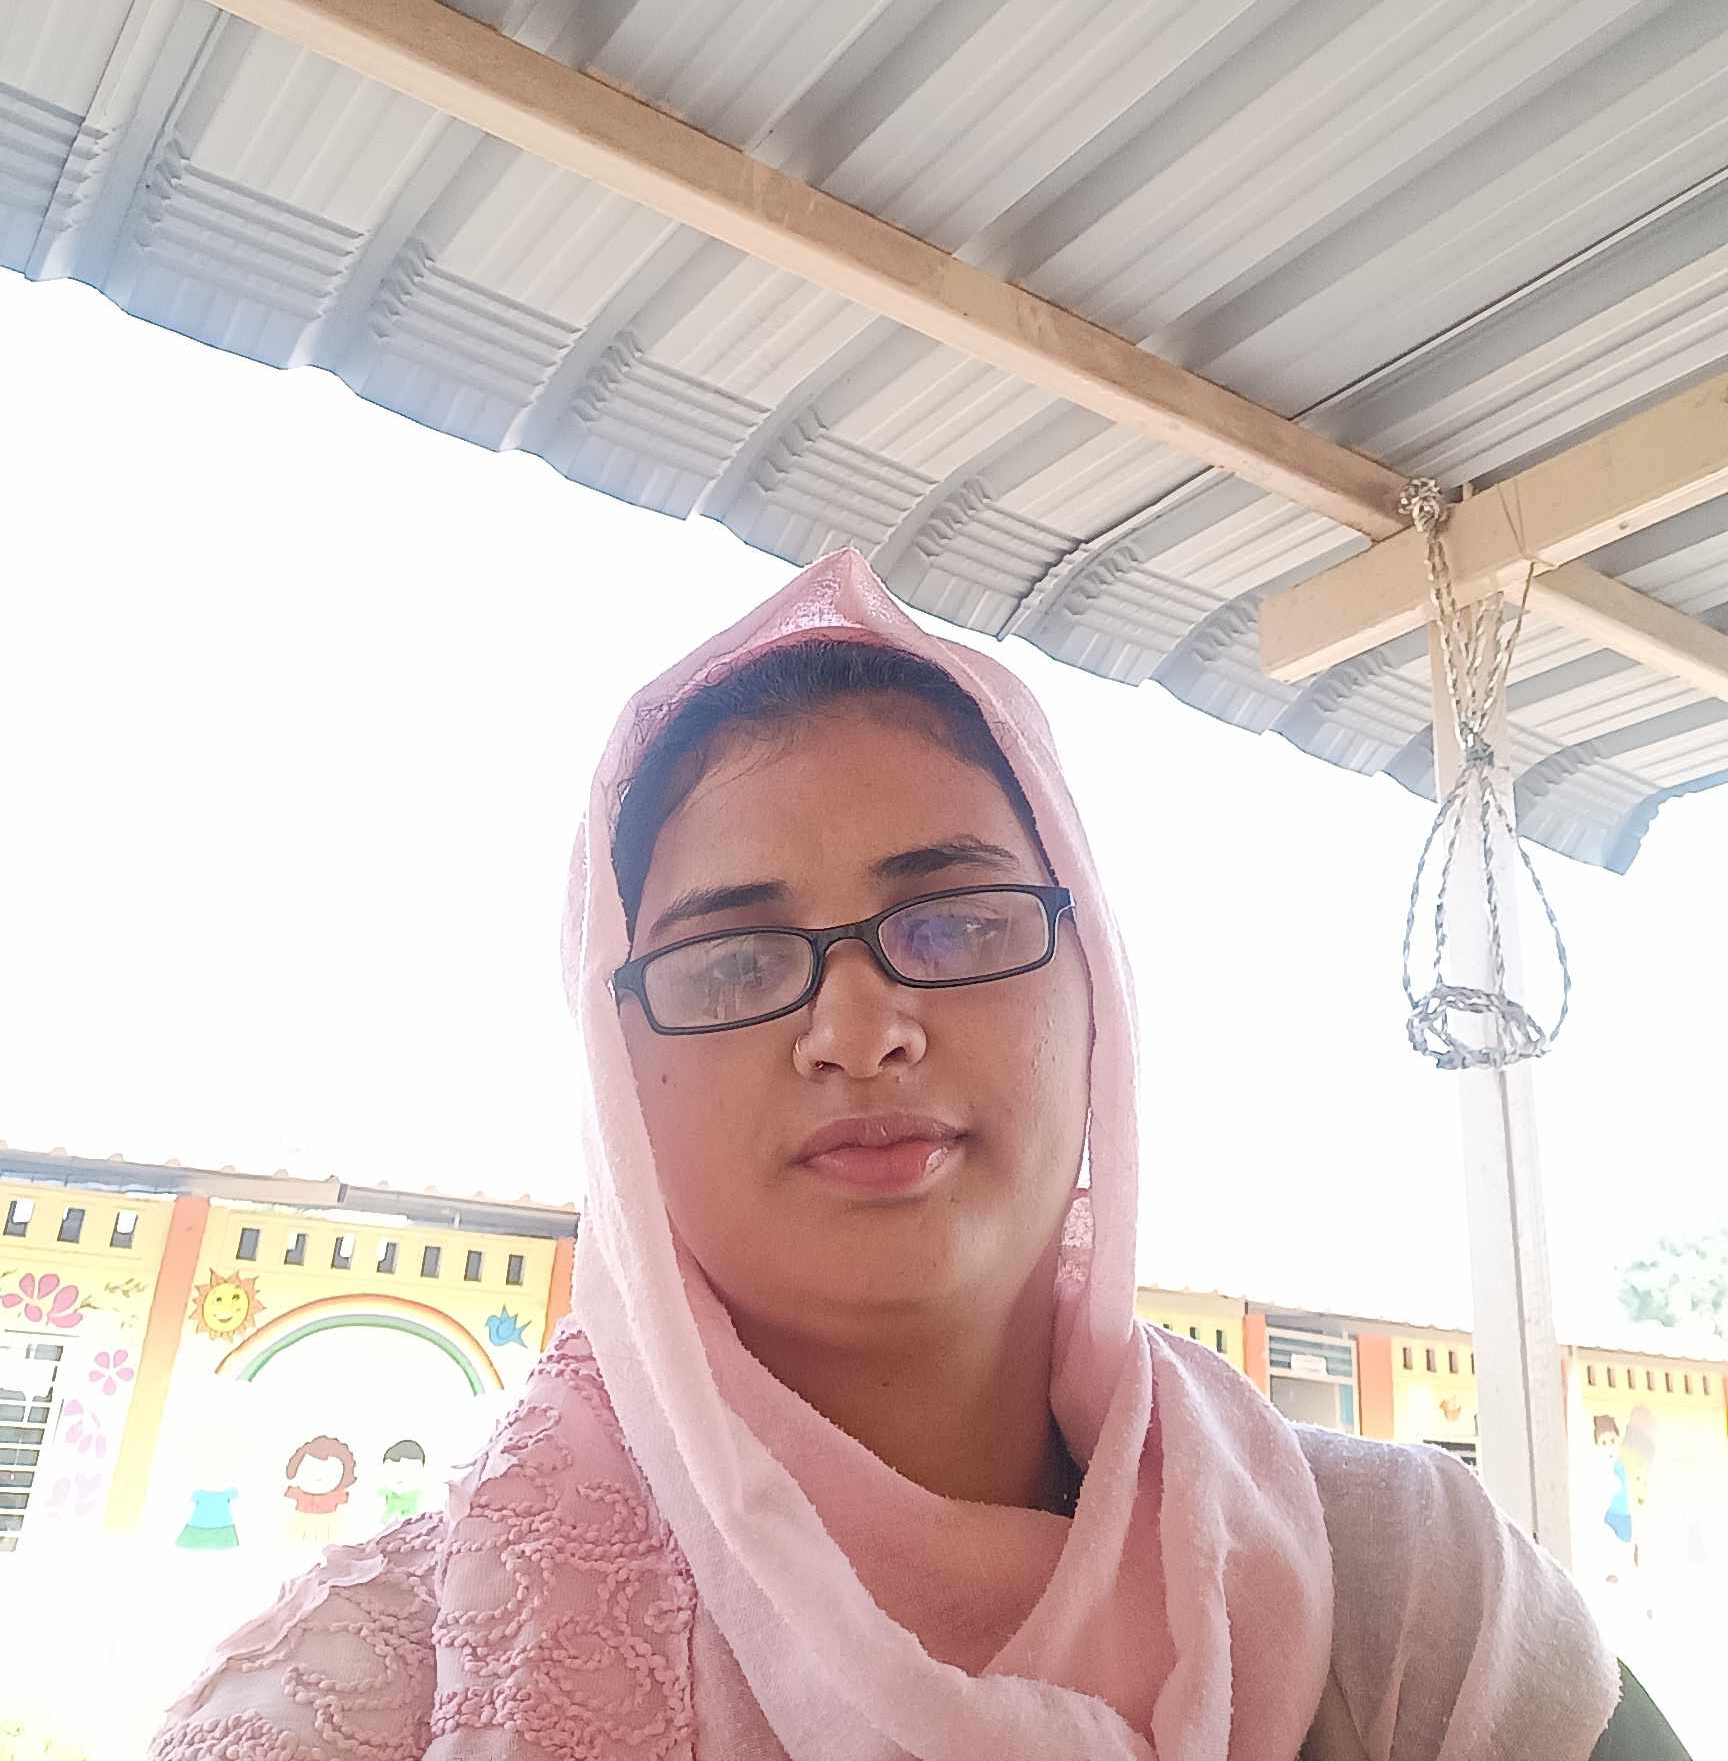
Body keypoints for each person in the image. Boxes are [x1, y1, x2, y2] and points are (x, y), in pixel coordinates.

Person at [150, 550, 1687, 1758]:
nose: (859, 1026)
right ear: (618, 1079)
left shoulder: (1403, 1596)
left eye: (952, 921)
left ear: (1096, 996)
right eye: (733, 960)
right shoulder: (364, 1692)